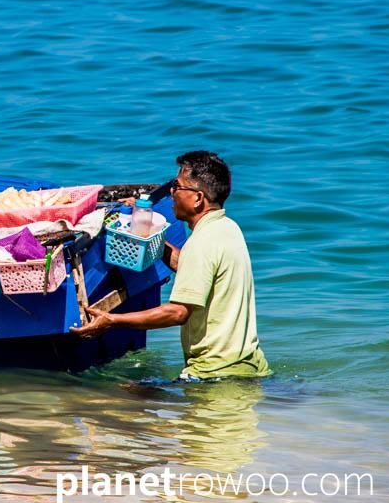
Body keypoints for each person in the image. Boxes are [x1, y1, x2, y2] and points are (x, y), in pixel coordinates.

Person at [72, 151, 270, 380]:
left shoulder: (201, 243)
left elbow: (177, 313)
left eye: (178, 186)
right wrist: (144, 224)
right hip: (250, 365)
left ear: (197, 198)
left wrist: (112, 321)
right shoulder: (227, 229)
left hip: (213, 374)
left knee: (125, 400)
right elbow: (191, 267)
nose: (172, 193)